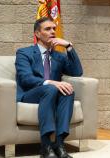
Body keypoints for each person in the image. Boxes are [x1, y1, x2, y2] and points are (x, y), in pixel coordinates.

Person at [15, 17, 83, 158]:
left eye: (54, 28)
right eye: (48, 29)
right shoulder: (24, 53)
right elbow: (26, 78)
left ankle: (59, 144)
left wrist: (69, 47)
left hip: (51, 94)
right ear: (37, 34)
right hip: (30, 94)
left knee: (68, 90)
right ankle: (45, 146)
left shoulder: (59, 56)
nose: (53, 31)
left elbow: (77, 72)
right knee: (51, 88)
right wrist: (51, 82)